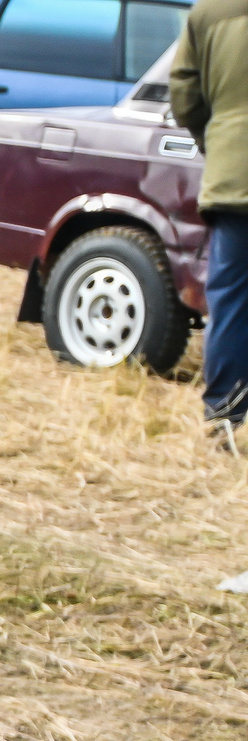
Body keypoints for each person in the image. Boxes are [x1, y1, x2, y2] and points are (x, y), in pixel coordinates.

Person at [173, 0, 248, 452]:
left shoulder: (208, 12)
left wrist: (217, 140)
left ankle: (224, 417)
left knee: (231, 302)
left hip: (232, 180)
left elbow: (184, 93)